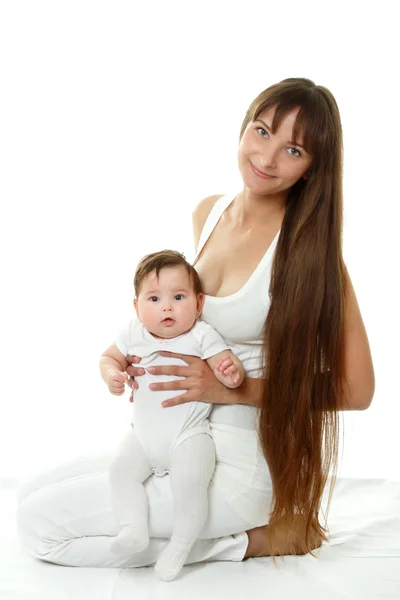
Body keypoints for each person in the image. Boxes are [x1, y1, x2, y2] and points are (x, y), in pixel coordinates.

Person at [17, 77, 375, 572]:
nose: (267, 158)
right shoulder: (209, 213)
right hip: (175, 440)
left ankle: (251, 539)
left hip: (237, 468)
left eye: (293, 150)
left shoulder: (311, 256)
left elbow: (357, 390)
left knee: (38, 526)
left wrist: (235, 389)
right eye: (262, 131)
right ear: (245, 125)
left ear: (315, 167)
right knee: (31, 492)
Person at [101, 249, 245, 580]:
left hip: (188, 435)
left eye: (178, 297)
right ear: (136, 307)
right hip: (144, 436)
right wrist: (112, 375)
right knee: (120, 471)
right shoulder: (132, 334)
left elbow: (226, 364)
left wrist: (231, 371)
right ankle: (133, 528)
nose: (167, 306)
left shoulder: (201, 335)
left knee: (190, 484)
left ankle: (180, 547)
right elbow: (108, 358)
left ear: (198, 303)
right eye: (153, 298)